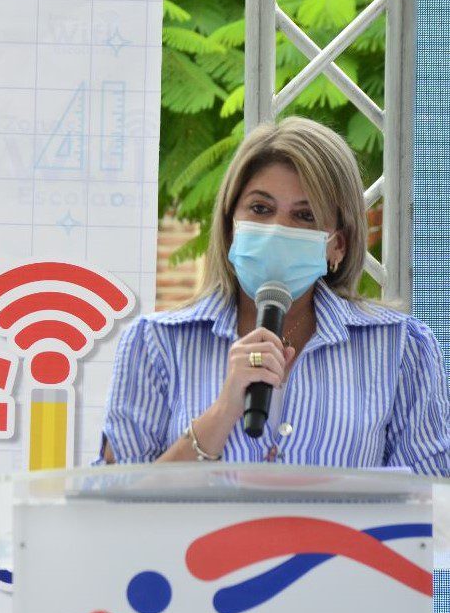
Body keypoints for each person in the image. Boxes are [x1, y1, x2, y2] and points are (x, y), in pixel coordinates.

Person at [99, 116, 450, 475]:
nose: (277, 229)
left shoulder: (401, 348)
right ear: (231, 226)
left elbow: (431, 497)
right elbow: (115, 500)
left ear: (338, 246)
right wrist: (222, 412)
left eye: (305, 215)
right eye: (260, 209)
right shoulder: (155, 343)